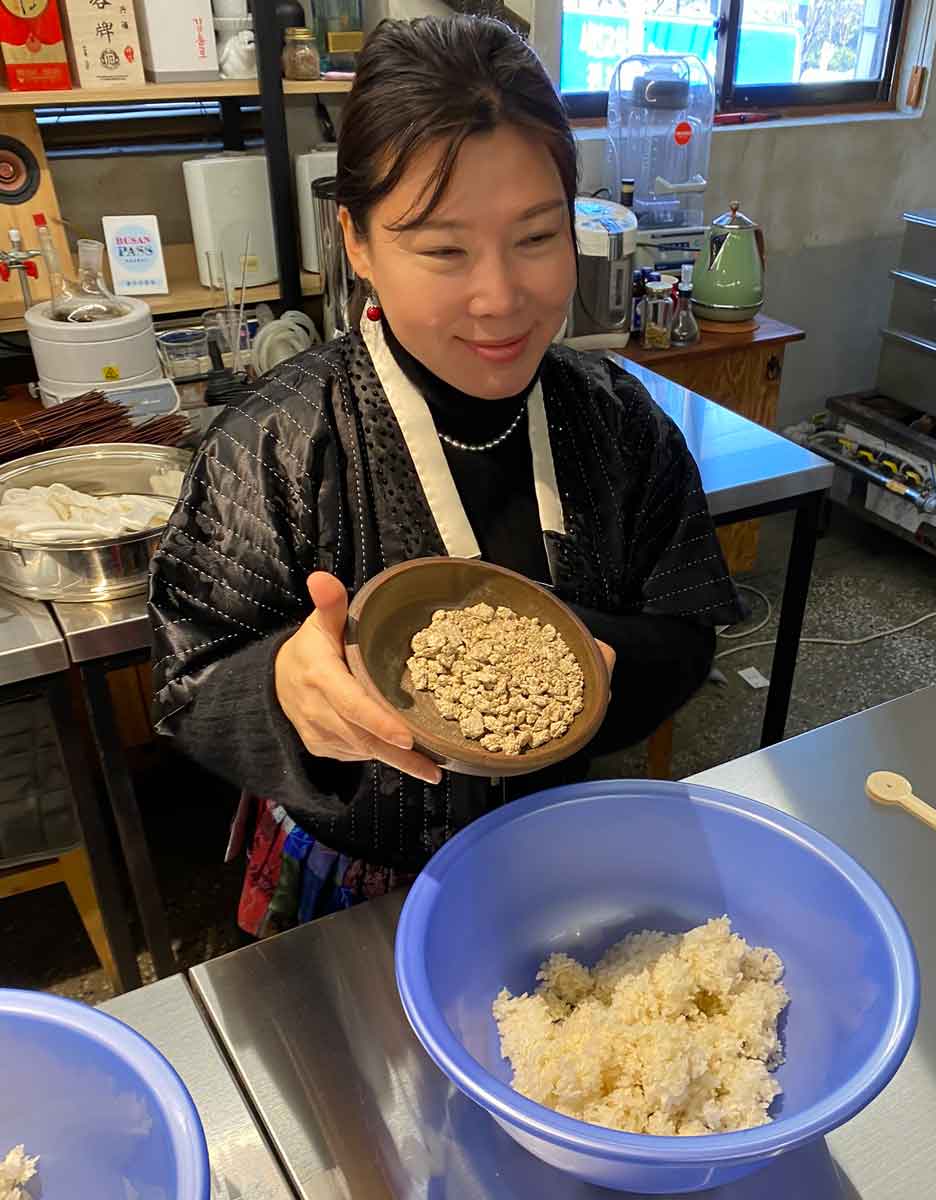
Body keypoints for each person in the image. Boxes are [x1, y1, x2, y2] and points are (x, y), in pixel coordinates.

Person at [149, 15, 744, 937]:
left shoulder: (615, 420)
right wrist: (284, 691)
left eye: (538, 237)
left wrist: (589, 666)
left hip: (557, 856)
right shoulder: (273, 442)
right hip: (349, 891)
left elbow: (688, 626)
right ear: (356, 242)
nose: (500, 297)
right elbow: (187, 686)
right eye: (443, 249)